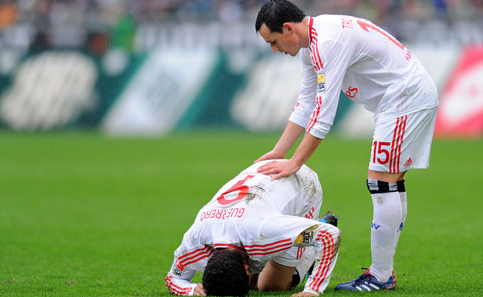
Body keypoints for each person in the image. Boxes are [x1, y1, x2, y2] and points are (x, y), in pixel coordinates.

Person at [254, 0, 439, 292]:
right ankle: (382, 273)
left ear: (288, 28)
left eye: (274, 41)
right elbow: (305, 103)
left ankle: (380, 276)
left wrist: (295, 163)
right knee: (389, 182)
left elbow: (323, 114)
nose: (274, 49)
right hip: (401, 100)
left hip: (405, 99)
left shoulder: (326, 41)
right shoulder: (312, 43)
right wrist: (280, 151)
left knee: (380, 181)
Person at [165, 160, 341, 296]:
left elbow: (329, 236)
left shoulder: (267, 232)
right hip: (258, 189)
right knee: (244, 281)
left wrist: (312, 290)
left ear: (247, 269)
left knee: (271, 286)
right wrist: (191, 288)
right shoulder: (194, 241)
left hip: (300, 184)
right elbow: (173, 277)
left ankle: (318, 227)